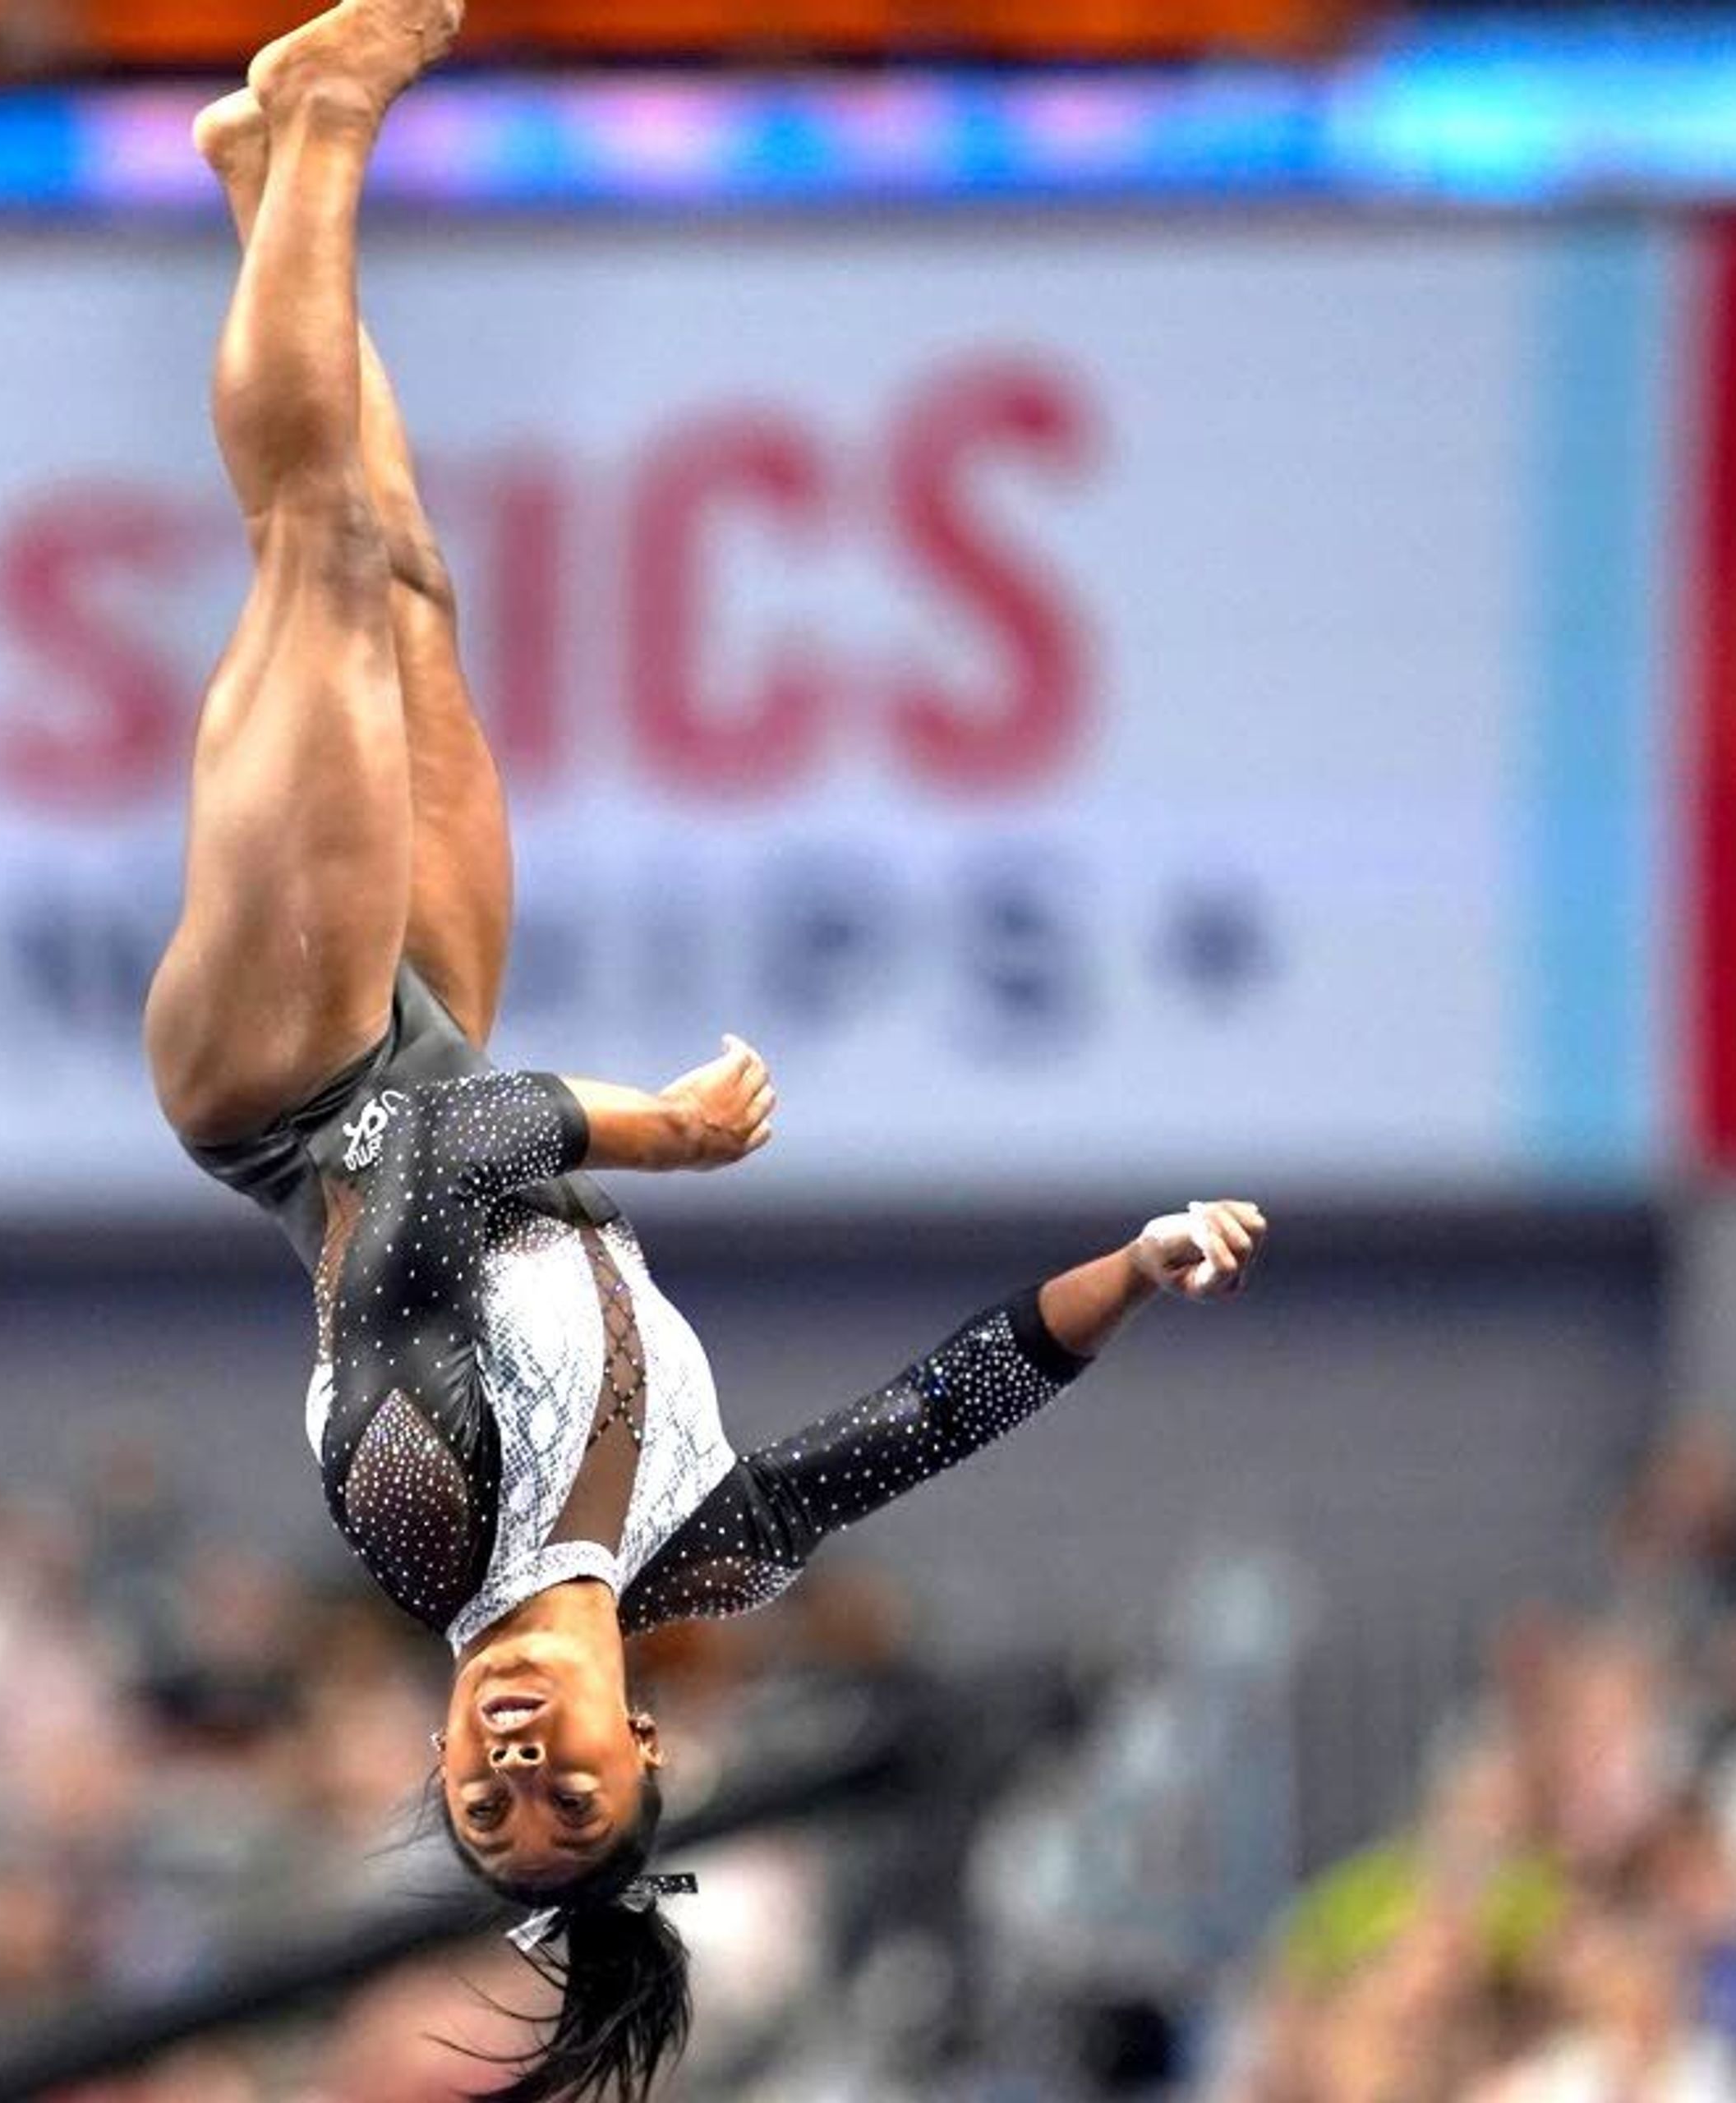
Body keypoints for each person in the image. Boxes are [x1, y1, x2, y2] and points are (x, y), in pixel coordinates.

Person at [144, 5, 1271, 2095]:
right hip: (430, 1035)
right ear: (645, 1745)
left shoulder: (417, 1522)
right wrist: (1141, 1268)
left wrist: (650, 1125)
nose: (515, 1781)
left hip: (298, 1083)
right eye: (566, 1804)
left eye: (488, 1814)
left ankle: (319, 120)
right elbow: (937, 1409)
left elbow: (422, 1161)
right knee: (409, 593)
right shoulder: (711, 1548)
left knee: (310, 556)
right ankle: (261, 191)